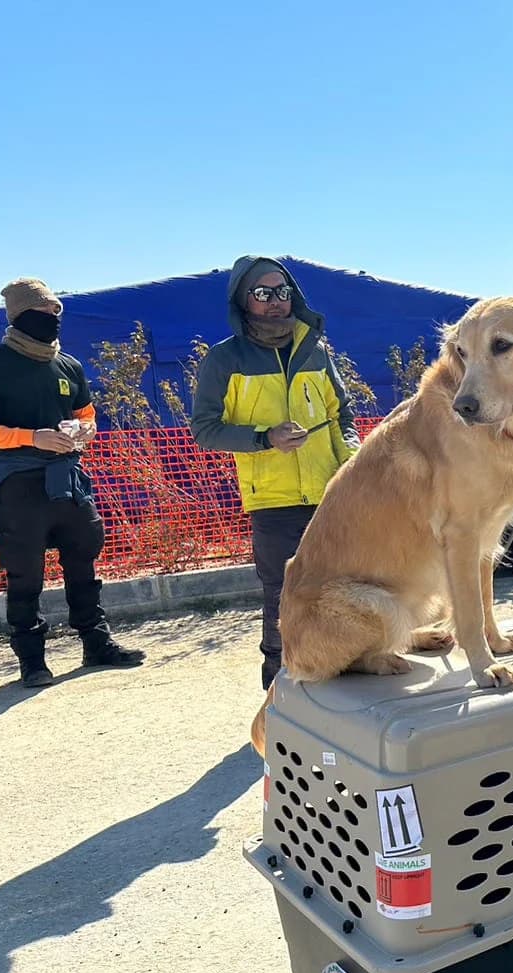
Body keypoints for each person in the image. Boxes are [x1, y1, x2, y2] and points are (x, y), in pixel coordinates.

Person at [0, 277, 145, 687]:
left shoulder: (68, 365)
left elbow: (88, 416)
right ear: (21, 316)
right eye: (43, 313)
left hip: (68, 477)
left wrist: (83, 432)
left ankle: (96, 644)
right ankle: (32, 661)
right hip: (17, 481)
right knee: (24, 574)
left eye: (57, 313)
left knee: (84, 560)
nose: (53, 320)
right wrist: (29, 437)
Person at [191, 257, 360, 689]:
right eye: (263, 293)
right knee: (284, 599)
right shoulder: (223, 359)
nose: (275, 302)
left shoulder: (316, 351)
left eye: (282, 292)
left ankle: (343, 676)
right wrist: (265, 438)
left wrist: (352, 460)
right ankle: (280, 690)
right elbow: (205, 430)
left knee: (344, 589)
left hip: (332, 495)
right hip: (273, 500)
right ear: (243, 299)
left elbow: (342, 413)